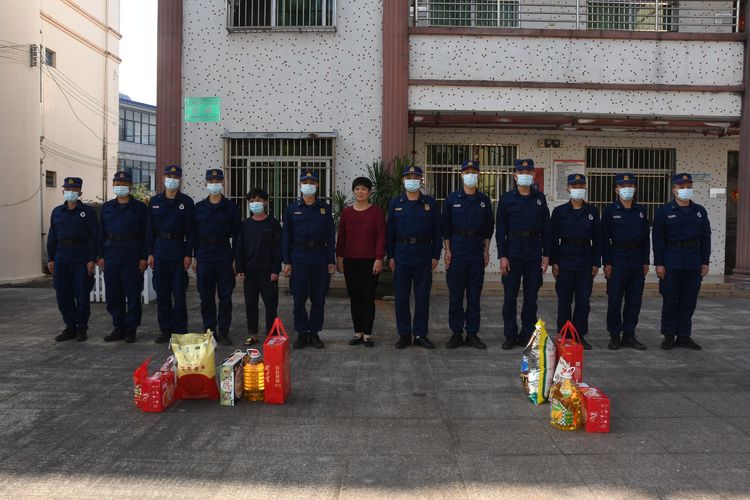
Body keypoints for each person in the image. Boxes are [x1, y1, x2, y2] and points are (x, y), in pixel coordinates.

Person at [495, 159, 550, 350]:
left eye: (528, 171)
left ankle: (527, 334)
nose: (525, 174)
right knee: (510, 298)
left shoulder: (540, 198)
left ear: (533, 175)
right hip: (512, 253)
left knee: (531, 298)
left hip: (533, 253)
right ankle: (510, 335)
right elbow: (500, 229)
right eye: (521, 171)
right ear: (515, 175)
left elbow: (546, 228)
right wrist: (502, 256)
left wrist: (546, 255)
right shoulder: (507, 198)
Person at [652, 173, 711, 350]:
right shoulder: (664, 211)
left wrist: (705, 261)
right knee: (670, 299)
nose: (686, 189)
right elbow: (658, 239)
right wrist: (659, 263)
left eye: (688, 186)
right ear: (674, 189)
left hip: (693, 260)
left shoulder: (700, 211)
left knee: (689, 300)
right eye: (682, 186)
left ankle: (684, 336)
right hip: (672, 260)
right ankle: (669, 335)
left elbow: (706, 237)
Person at [386, 165, 442, 349]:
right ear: (403, 180)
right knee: (401, 297)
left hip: (423, 254)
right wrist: (391, 256)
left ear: (421, 180)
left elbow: (437, 231)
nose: (412, 180)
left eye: (415, 177)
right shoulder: (395, 203)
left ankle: (420, 334)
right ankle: (404, 334)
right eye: (408, 177)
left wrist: (435, 255)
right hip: (402, 254)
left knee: (422, 297)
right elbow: (390, 232)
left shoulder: (430, 203)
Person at [442, 160, 494, 349]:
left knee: (474, 296)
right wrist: (447, 250)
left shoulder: (484, 200)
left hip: (476, 252)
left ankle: (472, 333)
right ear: (461, 175)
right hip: (457, 251)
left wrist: (486, 251)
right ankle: (456, 333)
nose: (470, 174)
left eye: (474, 171)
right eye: (467, 171)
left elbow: (489, 228)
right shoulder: (452, 199)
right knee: (455, 296)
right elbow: (446, 227)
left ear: (479, 175)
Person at [281, 170, 336, 349]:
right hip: (299, 257)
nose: (309, 185)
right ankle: (302, 333)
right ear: (300, 186)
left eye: (312, 182)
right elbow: (286, 236)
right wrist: (287, 261)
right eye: (306, 182)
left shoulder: (325, 209)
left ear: (317, 185)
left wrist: (331, 260)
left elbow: (330, 235)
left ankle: (314, 333)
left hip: (320, 256)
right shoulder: (291, 209)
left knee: (318, 298)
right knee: (299, 299)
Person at [550, 174, 600, 350]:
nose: (578, 188)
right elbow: (552, 239)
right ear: (568, 189)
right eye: (574, 185)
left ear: (585, 188)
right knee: (564, 301)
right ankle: (564, 335)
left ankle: (579, 336)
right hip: (565, 260)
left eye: (581, 185)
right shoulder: (559, 212)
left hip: (586, 260)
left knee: (583, 302)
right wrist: (554, 262)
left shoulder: (592, 212)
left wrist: (596, 262)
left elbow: (598, 239)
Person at [146, 165, 196, 344]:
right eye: (169, 176)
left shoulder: (187, 202)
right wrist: (150, 253)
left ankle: (181, 329)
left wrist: (188, 253)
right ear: (163, 178)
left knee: (179, 293)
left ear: (180, 180)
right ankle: (165, 329)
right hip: (160, 251)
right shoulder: (155, 201)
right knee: (162, 293)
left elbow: (191, 230)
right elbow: (149, 229)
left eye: (176, 177)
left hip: (178, 250)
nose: (172, 179)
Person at [97, 171, 148, 343]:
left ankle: (131, 329)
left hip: (132, 255)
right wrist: (101, 255)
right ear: (113, 186)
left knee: (133, 294)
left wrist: (143, 257)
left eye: (124, 184)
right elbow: (101, 233)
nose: (120, 187)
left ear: (130, 186)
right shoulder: (107, 207)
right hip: (111, 254)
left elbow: (145, 234)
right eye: (117, 184)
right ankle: (118, 327)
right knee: (113, 294)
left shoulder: (140, 208)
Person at [47, 177, 99, 342]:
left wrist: (92, 258)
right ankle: (70, 327)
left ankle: (82, 328)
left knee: (82, 295)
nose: (70, 192)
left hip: (81, 256)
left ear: (80, 193)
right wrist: (51, 258)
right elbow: (52, 237)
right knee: (63, 294)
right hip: (61, 255)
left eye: (74, 190)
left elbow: (94, 237)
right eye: (67, 189)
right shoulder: (57, 212)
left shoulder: (88, 213)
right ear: (63, 191)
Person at [336, 176, 386, 348]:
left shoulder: (377, 212)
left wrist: (379, 258)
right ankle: (358, 332)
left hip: (370, 261)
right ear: (353, 192)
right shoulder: (347, 212)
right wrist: (339, 258)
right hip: (350, 261)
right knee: (355, 298)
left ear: (369, 192)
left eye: (364, 189)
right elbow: (341, 237)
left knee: (368, 298)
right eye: (357, 189)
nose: (360, 192)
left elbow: (381, 237)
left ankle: (368, 334)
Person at [601, 173, 649, 351]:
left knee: (634, 301)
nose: (627, 189)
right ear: (616, 189)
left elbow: (646, 238)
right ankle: (614, 335)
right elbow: (604, 238)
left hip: (637, 259)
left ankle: (629, 334)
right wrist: (606, 262)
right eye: (623, 186)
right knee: (615, 300)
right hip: (617, 257)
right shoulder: (610, 211)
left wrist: (646, 261)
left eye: (631, 185)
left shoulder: (641, 211)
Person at [193, 169, 241, 346]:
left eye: (218, 180)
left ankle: (224, 331)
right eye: (211, 181)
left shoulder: (231, 207)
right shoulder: (198, 207)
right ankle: (209, 330)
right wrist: (195, 256)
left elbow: (237, 235)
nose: (214, 184)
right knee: (205, 296)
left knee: (225, 296)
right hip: (204, 254)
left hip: (223, 254)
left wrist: (236, 258)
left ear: (223, 183)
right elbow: (194, 235)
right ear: (205, 184)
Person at [236, 188, 282, 346]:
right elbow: (239, 248)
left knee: (271, 304)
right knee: (250, 303)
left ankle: (272, 334)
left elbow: (278, 249)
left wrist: (276, 270)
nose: (255, 204)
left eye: (258, 200)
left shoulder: (273, 224)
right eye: (252, 201)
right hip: (249, 272)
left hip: (268, 272)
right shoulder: (245, 224)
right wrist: (240, 269)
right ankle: (253, 334)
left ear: (266, 202)